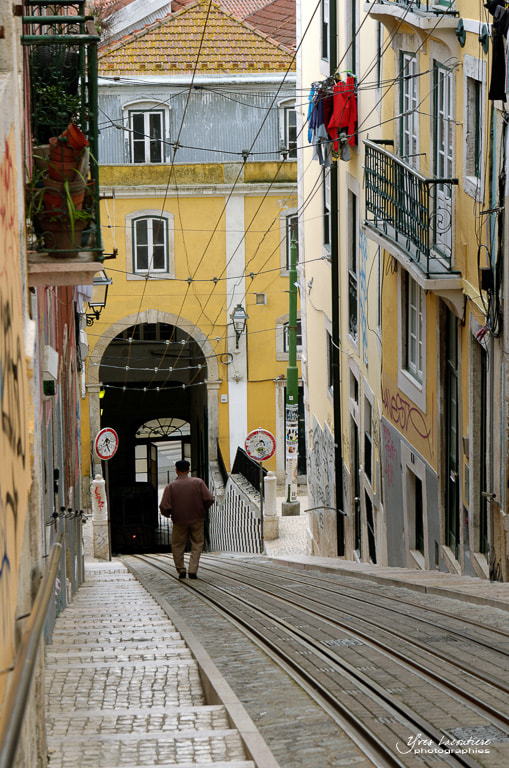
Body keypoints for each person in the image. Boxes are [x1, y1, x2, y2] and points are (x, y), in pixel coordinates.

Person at [159, 459, 214, 580]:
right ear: (189, 470)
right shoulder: (198, 482)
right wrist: (202, 510)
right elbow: (209, 498)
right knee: (197, 544)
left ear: (176, 470)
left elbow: (163, 506)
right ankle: (193, 570)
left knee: (178, 545)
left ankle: (181, 570)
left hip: (179, 521)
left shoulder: (171, 486)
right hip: (197, 520)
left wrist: (168, 514)